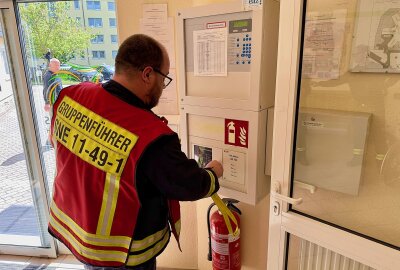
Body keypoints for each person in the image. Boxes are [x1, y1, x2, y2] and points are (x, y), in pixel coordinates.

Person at [47, 34, 223, 270]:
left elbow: (59, 145)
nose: (163, 86)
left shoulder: (70, 97)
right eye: (164, 78)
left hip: (80, 237)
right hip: (122, 255)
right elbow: (187, 184)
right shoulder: (150, 134)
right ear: (148, 74)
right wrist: (212, 173)